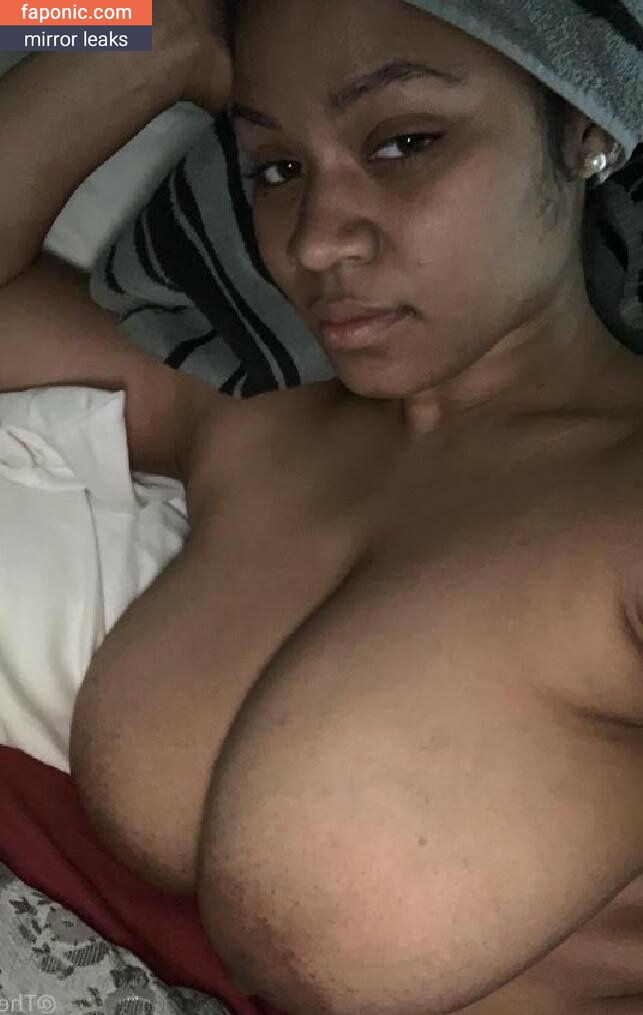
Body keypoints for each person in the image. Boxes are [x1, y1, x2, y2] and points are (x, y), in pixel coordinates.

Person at [1, 0, 643, 1011]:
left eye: (404, 143)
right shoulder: (258, 427)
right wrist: (145, 38)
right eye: (276, 168)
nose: (312, 241)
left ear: (583, 126)